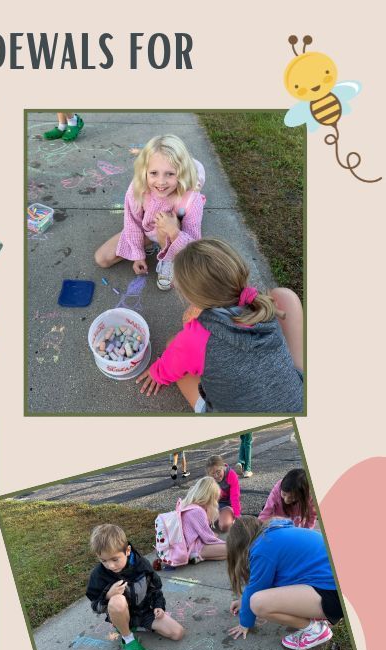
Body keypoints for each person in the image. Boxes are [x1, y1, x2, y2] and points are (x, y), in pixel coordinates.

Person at [136, 239, 305, 413]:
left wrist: (156, 373)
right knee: (285, 297)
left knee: (173, 344)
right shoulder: (263, 304)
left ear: (191, 298)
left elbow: (172, 364)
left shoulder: (197, 337)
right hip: (298, 405)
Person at [94, 134, 205, 291]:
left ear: (181, 173)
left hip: (172, 231)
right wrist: (138, 254)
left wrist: (173, 232)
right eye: (154, 173)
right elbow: (132, 222)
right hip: (148, 231)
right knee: (102, 259)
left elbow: (194, 246)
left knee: (164, 221)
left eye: (170, 174)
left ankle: (169, 259)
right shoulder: (138, 188)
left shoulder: (192, 199)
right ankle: (152, 243)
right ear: (144, 171)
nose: (161, 182)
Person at [226, 516, 341, 650]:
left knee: (258, 603)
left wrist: (244, 623)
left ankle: (315, 631)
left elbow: (255, 589)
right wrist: (242, 600)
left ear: (239, 547)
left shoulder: (263, 547)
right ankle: (319, 614)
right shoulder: (274, 534)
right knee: (257, 599)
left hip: (334, 596)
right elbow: (267, 582)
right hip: (333, 587)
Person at [85, 523, 184, 650]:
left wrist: (158, 606)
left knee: (177, 633)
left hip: (144, 612)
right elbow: (96, 606)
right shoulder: (99, 574)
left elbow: (155, 588)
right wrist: (108, 595)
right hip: (121, 613)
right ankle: (127, 638)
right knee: (117, 601)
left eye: (115, 559)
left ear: (127, 551)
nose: (110, 566)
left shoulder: (141, 565)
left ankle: (135, 626)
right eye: (104, 561)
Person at [178, 477, 227, 560]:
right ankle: (196, 555)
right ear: (210, 497)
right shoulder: (198, 511)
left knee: (228, 555)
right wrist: (224, 543)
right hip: (194, 547)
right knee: (231, 549)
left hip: (185, 546)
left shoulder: (186, 504)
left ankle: (199, 557)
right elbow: (208, 538)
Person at [205, 454, 240, 532]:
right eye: (213, 474)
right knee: (201, 523)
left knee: (224, 526)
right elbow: (204, 498)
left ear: (223, 467)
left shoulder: (231, 475)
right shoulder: (208, 480)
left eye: (218, 472)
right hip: (213, 504)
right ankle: (216, 518)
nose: (216, 476)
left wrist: (237, 515)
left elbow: (235, 497)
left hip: (227, 504)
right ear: (208, 474)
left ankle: (228, 517)